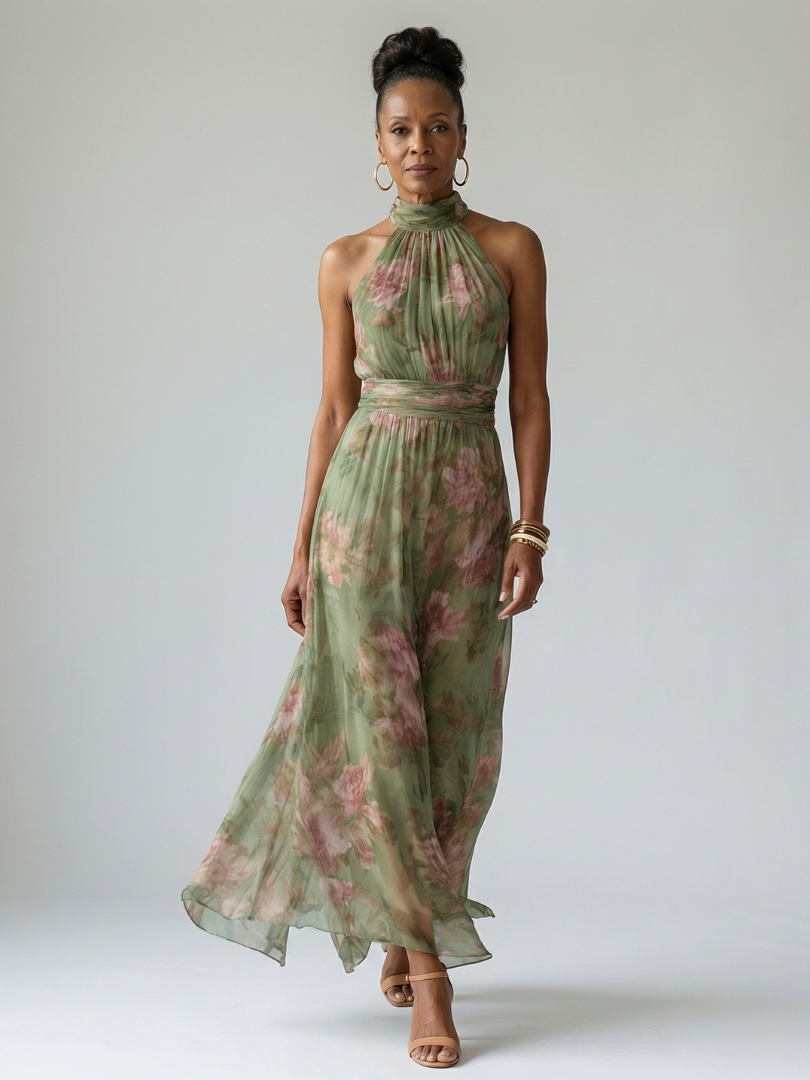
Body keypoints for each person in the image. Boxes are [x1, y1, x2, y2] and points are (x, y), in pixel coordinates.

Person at [181, 24, 550, 1070]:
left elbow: (530, 398)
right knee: (382, 734)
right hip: (363, 513)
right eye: (401, 130)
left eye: (438, 127)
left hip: (468, 514)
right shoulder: (344, 260)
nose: (419, 144)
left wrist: (530, 528)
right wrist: (301, 548)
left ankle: (403, 914)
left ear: (464, 137)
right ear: (377, 144)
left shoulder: (511, 249)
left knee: (457, 737)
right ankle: (431, 975)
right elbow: (334, 408)